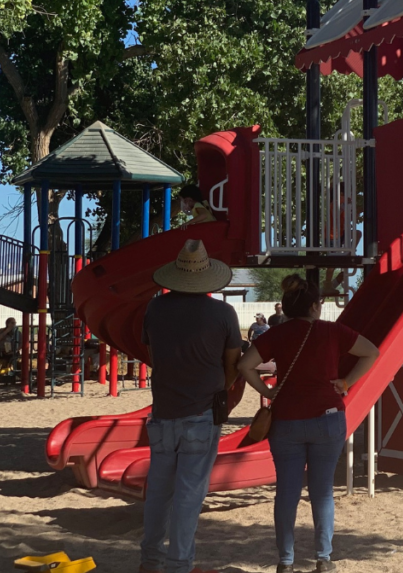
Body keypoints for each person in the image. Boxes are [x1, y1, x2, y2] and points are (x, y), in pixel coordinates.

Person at [238, 274, 379, 573]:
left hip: (287, 420)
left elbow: (244, 365)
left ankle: (285, 561)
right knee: (322, 491)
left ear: (287, 307)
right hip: (327, 418)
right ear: (316, 305)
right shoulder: (332, 331)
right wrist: (346, 382)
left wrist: (267, 392)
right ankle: (323, 558)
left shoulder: (277, 333)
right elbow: (372, 352)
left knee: (286, 492)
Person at [140, 240, 241, 573]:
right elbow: (232, 363)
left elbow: (154, 354)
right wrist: (221, 388)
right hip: (201, 411)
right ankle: (179, 564)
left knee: (159, 490)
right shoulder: (223, 313)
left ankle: (149, 559)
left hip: (163, 409)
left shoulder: (156, 308)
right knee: (189, 493)